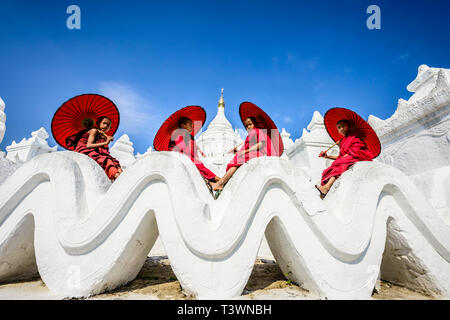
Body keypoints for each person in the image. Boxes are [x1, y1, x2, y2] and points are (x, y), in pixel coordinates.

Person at [211, 117, 272, 193]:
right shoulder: (250, 135)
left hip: (258, 153)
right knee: (236, 160)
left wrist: (246, 151)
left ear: (255, 124)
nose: (248, 127)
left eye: (250, 124)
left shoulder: (259, 131)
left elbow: (260, 144)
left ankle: (221, 183)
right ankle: (221, 182)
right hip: (250, 153)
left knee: (236, 162)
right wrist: (238, 152)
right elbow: (246, 148)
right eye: (246, 126)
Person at [315, 119, 374, 199]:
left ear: (348, 126)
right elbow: (340, 156)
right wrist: (327, 156)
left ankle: (327, 187)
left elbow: (358, 149)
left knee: (340, 163)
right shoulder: (342, 141)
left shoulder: (355, 136)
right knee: (331, 167)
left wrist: (349, 153)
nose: (341, 129)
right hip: (345, 159)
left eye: (343, 126)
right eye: (339, 128)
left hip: (355, 157)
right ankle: (325, 188)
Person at [169, 117, 220, 193]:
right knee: (196, 163)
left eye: (192, 125)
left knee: (198, 163)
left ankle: (212, 181)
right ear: (183, 126)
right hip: (181, 156)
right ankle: (215, 178)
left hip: (190, 157)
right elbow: (182, 148)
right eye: (190, 125)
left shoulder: (190, 137)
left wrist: (198, 151)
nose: (192, 127)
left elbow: (193, 149)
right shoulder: (177, 134)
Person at [72, 116, 123, 181]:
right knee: (107, 160)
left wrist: (105, 139)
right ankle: (117, 177)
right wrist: (106, 143)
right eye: (104, 123)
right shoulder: (94, 130)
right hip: (86, 150)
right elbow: (89, 145)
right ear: (98, 123)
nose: (106, 126)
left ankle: (122, 176)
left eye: (108, 125)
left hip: (94, 151)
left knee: (115, 162)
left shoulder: (101, 135)